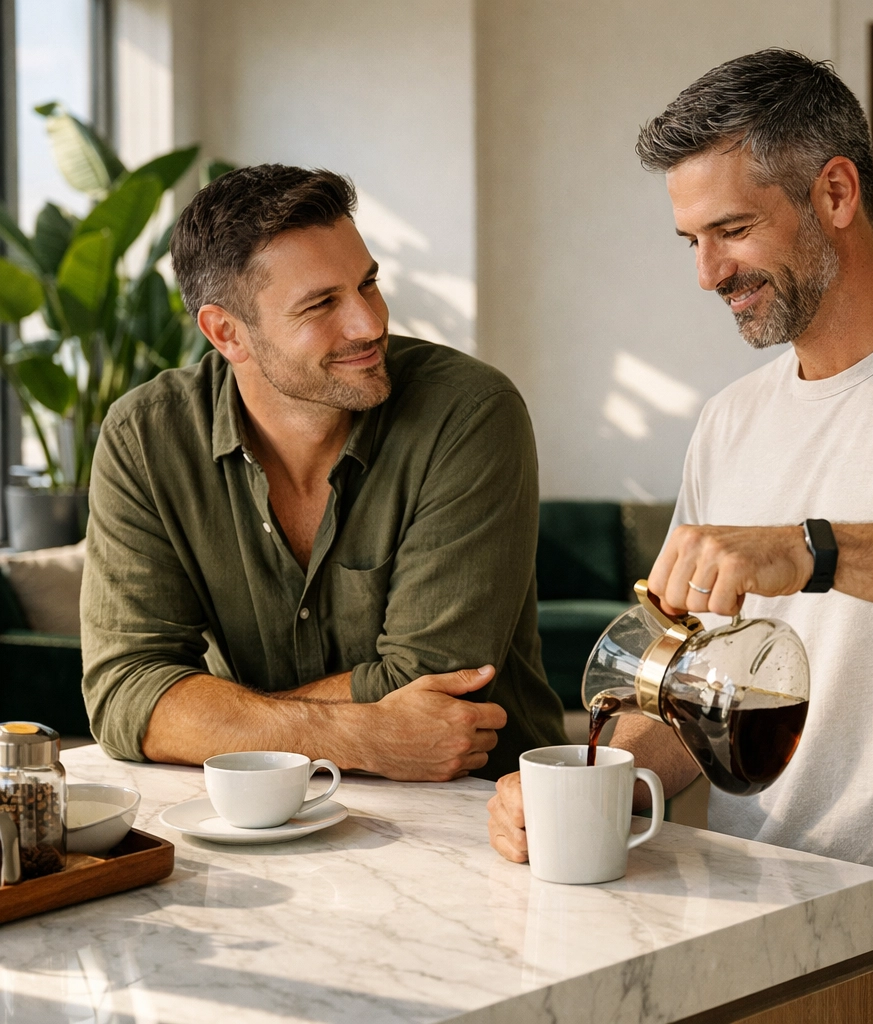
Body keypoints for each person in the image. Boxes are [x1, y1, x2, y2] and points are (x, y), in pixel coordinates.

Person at [488, 50, 873, 1021]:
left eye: (732, 230)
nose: (707, 273)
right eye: (690, 240)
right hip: (756, 912)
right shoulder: (731, 422)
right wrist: (604, 784)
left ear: (835, 192)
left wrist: (814, 549)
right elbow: (689, 684)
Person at [81, 164, 566, 782]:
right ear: (226, 333)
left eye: (368, 284)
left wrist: (213, 720)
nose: (370, 324)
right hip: (248, 817)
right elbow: (125, 692)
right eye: (321, 304)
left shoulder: (468, 413)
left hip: (481, 807)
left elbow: (436, 685)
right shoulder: (146, 437)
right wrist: (361, 735)